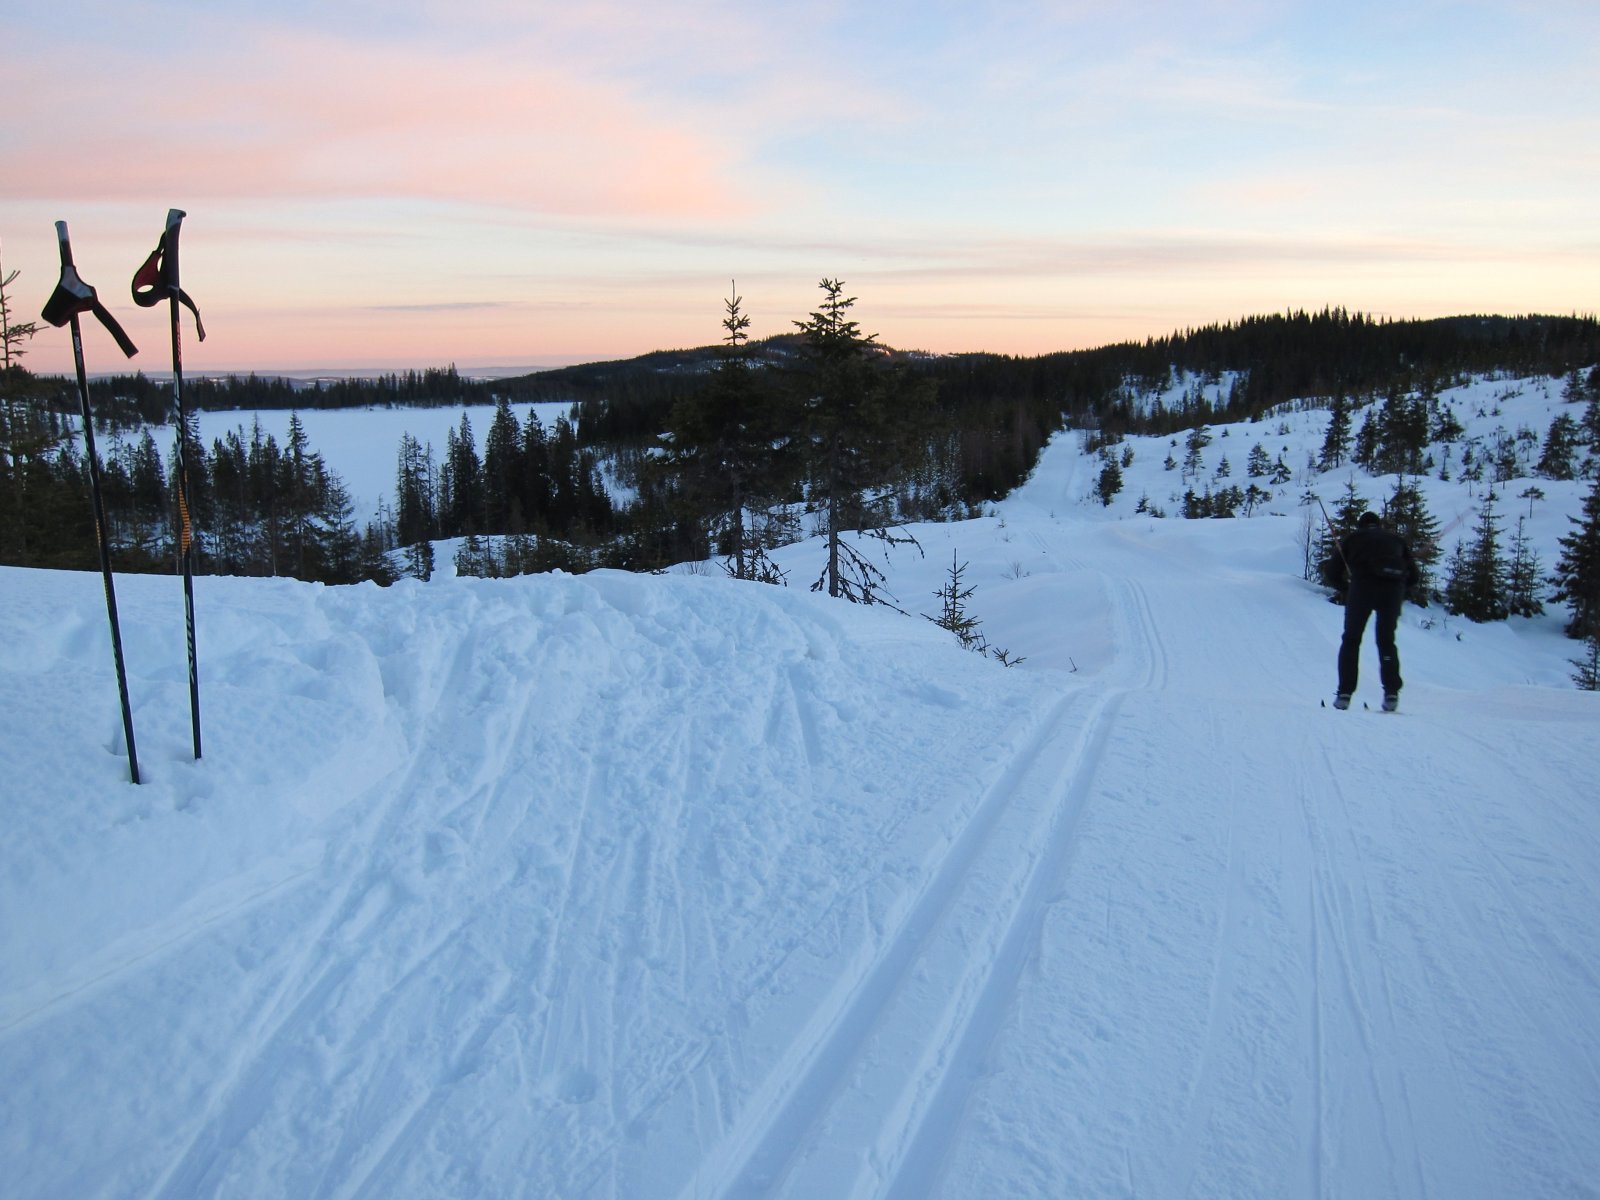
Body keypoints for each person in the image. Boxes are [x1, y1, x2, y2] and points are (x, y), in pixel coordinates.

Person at [1331, 510, 1419, 711]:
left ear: (1361, 525)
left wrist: (1346, 589)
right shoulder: (1395, 540)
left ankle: (1345, 694)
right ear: (1379, 525)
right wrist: (1400, 590)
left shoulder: (1352, 538)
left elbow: (1332, 572)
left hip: (1362, 590)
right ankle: (1391, 693)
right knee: (1386, 641)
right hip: (1392, 593)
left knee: (1351, 640)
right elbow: (1414, 576)